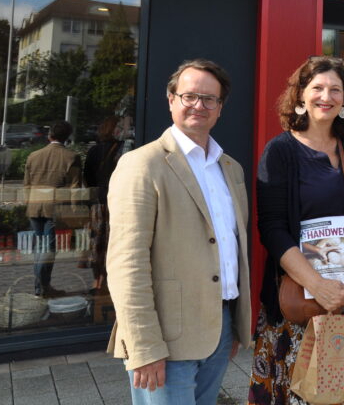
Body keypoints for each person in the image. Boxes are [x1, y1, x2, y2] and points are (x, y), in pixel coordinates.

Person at [106, 59, 251, 405]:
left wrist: (234, 325)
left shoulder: (231, 169)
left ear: (220, 108)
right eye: (190, 96)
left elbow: (231, 249)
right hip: (165, 338)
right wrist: (144, 345)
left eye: (209, 99)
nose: (199, 105)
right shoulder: (142, 164)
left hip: (220, 328)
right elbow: (126, 264)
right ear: (171, 99)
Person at [248, 56, 344, 405]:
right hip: (299, 298)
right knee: (294, 394)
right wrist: (317, 284)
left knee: (340, 392)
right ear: (301, 95)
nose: (326, 96)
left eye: (336, 89)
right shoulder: (280, 151)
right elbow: (271, 228)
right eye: (317, 88)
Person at [24, 120, 82, 298]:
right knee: (48, 249)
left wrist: (28, 204)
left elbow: (26, 185)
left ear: (50, 136)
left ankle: (41, 287)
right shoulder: (71, 157)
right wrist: (75, 210)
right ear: (67, 137)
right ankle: (42, 288)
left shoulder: (33, 155)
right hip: (55, 207)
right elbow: (75, 187)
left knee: (40, 247)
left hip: (34, 205)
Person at [84, 116, 122, 286]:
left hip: (98, 201)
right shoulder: (121, 149)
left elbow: (88, 178)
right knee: (114, 240)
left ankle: (97, 278)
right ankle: (109, 279)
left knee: (97, 241)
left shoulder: (94, 151)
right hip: (117, 200)